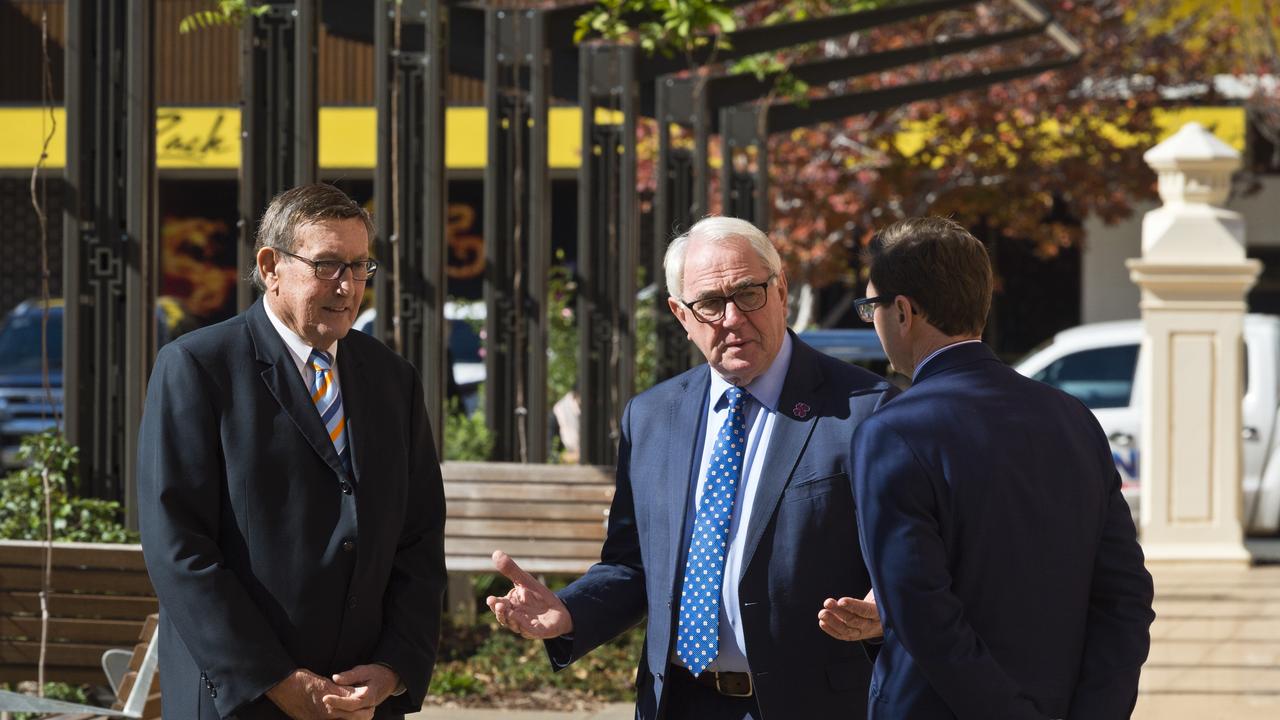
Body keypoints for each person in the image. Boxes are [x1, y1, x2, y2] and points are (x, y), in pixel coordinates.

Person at [486, 216, 895, 719]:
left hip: (811, 704)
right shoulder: (654, 415)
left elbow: (911, 560)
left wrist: (886, 610)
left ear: (782, 289)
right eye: (709, 304)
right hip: (677, 702)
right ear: (681, 315)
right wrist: (570, 611)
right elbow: (633, 564)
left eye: (749, 293)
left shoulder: (865, 410)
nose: (732, 318)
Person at [137, 183, 447, 720]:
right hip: (242, 700)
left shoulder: (392, 379)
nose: (348, 285)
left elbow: (418, 536)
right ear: (271, 265)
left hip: (362, 700)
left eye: (359, 266)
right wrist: (275, 679)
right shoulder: (198, 367)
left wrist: (395, 666)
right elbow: (178, 548)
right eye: (327, 264)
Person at [829, 216, 1154, 719]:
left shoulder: (892, 432)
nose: (871, 322)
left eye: (870, 306)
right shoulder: (1071, 417)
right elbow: (1125, 597)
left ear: (903, 311)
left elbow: (925, 619)